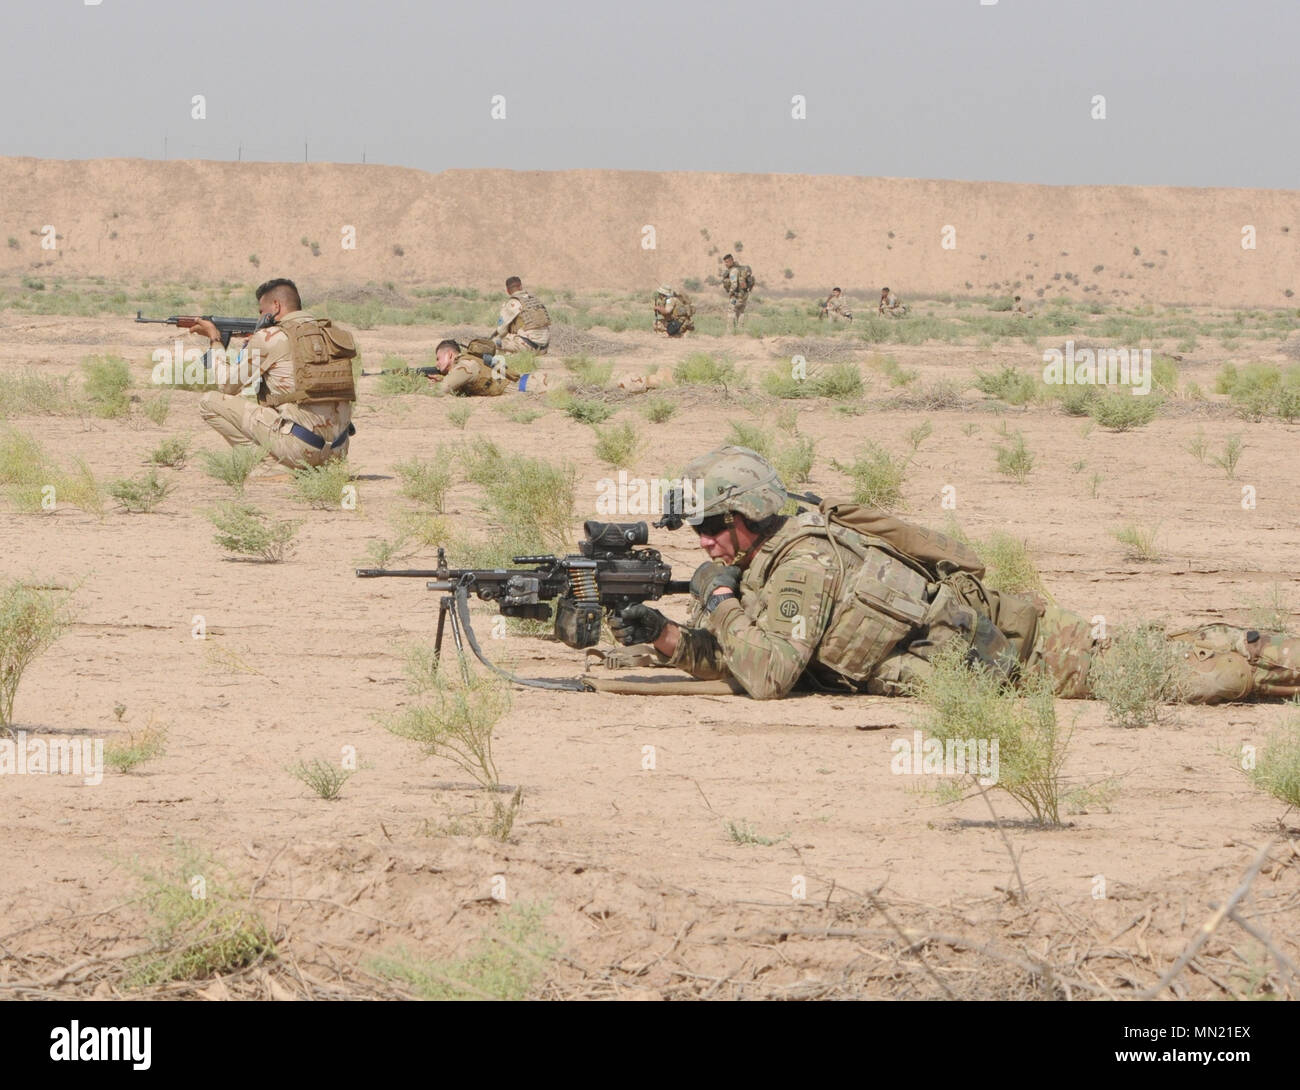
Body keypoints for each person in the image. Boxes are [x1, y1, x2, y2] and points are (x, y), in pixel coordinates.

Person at [608, 446, 1300, 703]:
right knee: (1163, 651)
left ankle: (1273, 653)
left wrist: (720, 601)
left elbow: (765, 677)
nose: (702, 544)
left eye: (710, 527)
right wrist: (669, 638)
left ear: (749, 514)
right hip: (987, 651)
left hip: (1024, 656)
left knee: (1179, 672)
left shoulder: (802, 564)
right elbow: (753, 654)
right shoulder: (769, 561)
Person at [196, 278, 355, 472]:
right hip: (338, 452)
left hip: (300, 452)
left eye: (262, 312)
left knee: (208, 401)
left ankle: (270, 466)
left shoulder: (269, 337)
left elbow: (227, 387)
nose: (260, 317)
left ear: (276, 306)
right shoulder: (332, 335)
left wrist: (215, 339)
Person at [425, 338, 550, 396]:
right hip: (529, 383)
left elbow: (441, 390)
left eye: (438, 358)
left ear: (450, 354)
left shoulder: (465, 365)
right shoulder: (468, 361)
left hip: (532, 386)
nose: (437, 363)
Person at [493, 276, 550, 355]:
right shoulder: (535, 300)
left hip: (529, 347)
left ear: (508, 291)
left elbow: (501, 330)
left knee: (494, 344)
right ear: (521, 286)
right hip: (544, 348)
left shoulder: (513, 303)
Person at [720, 254, 753, 333]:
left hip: (735, 296)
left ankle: (730, 331)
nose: (726, 264)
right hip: (744, 295)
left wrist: (730, 293)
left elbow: (734, 284)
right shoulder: (741, 269)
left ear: (732, 261)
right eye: (725, 262)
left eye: (727, 262)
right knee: (741, 312)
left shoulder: (733, 271)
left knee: (731, 311)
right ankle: (740, 330)